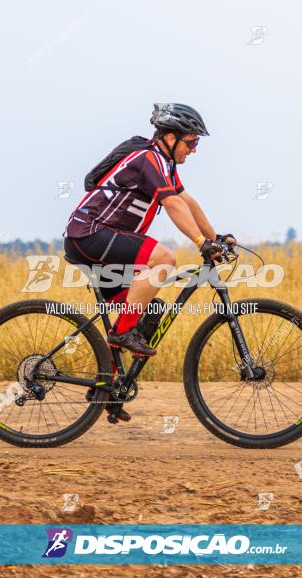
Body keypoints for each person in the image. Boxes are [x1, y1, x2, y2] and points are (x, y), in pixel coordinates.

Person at [63, 104, 236, 420]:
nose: (194, 150)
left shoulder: (164, 165)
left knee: (150, 309)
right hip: (89, 234)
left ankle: (105, 385)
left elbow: (186, 201)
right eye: (191, 142)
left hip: (100, 239)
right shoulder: (148, 159)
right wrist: (200, 243)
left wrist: (217, 237)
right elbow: (170, 203)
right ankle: (121, 335)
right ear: (170, 137)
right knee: (164, 258)